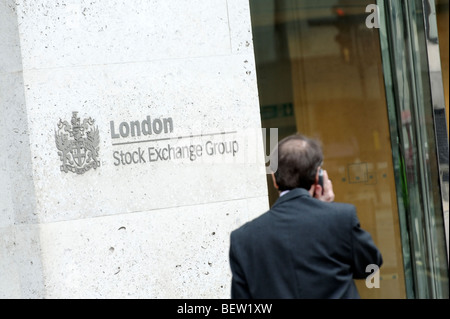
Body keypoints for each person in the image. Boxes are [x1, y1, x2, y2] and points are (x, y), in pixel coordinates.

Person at [229, 133, 383, 299]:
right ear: (318, 177)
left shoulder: (243, 239)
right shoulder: (341, 219)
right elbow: (371, 265)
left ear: (274, 178)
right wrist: (327, 209)